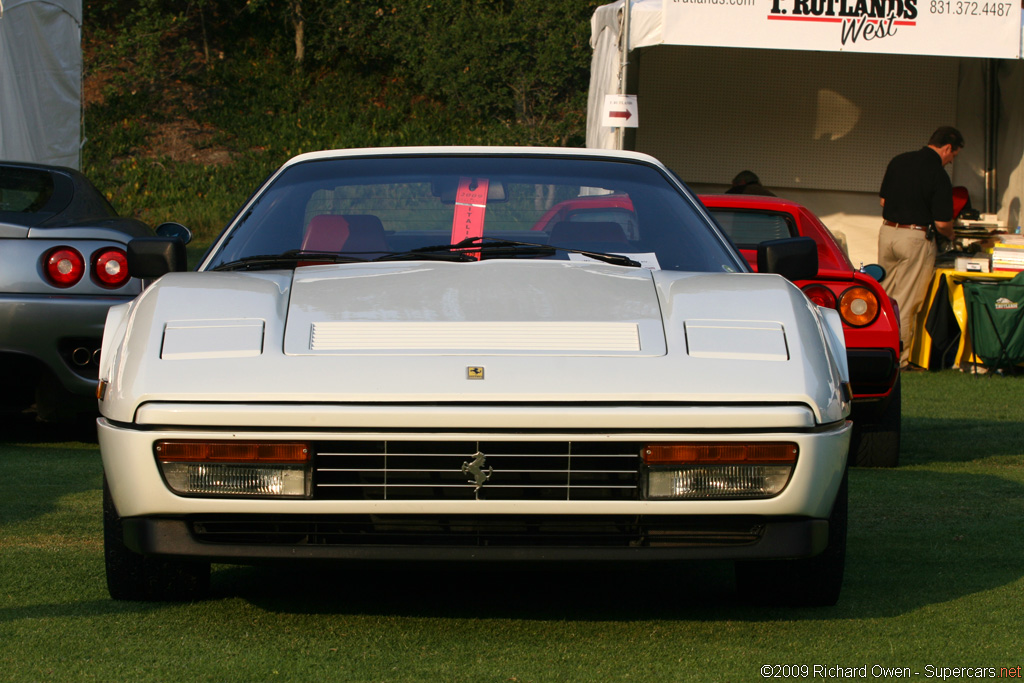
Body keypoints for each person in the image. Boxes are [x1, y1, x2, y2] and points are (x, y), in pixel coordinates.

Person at [877, 126, 964, 369]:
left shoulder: (899, 161)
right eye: (953, 156)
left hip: (887, 233)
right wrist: (952, 235)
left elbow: (883, 200)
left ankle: (877, 348)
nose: (950, 160)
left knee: (885, 296)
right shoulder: (938, 174)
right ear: (947, 148)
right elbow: (942, 222)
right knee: (906, 301)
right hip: (915, 237)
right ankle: (899, 360)